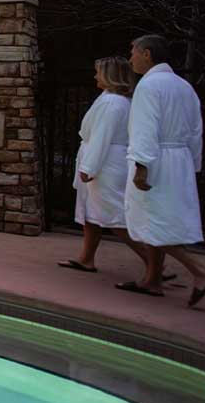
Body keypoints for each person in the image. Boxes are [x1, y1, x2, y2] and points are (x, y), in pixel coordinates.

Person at [117, 34, 205, 307]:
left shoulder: (149, 86)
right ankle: (152, 280)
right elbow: (197, 130)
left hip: (155, 159)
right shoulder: (183, 86)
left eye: (133, 52)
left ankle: (201, 272)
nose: (131, 59)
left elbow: (144, 128)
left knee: (150, 222)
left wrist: (141, 164)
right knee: (160, 219)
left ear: (148, 54)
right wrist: (193, 165)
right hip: (180, 160)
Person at [58, 57, 153, 274]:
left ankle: (153, 262)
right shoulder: (113, 99)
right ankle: (86, 258)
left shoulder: (112, 103)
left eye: (98, 73)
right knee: (91, 213)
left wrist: (89, 168)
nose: (95, 76)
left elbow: (102, 136)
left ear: (109, 76)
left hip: (105, 162)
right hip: (105, 157)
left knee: (113, 214)